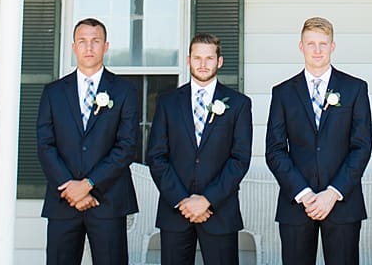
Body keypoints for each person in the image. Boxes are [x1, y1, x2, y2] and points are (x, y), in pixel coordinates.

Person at [265, 17, 372, 265]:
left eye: (323, 43)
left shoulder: (355, 88)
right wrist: (304, 194)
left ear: (332, 46)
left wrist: (332, 193)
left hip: (342, 202)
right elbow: (275, 150)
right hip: (296, 203)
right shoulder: (282, 92)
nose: (317, 50)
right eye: (310, 43)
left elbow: (362, 146)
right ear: (300, 46)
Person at [38, 18, 142, 265]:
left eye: (95, 41)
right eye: (82, 41)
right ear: (73, 46)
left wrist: (89, 184)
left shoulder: (125, 91)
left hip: (108, 199)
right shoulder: (53, 92)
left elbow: (126, 145)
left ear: (106, 46)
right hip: (63, 199)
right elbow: (45, 144)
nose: (89, 47)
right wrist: (69, 186)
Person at [146, 33, 253, 265]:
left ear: (219, 61)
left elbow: (239, 159)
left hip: (220, 211)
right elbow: (156, 156)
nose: (203, 64)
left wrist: (207, 200)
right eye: (197, 58)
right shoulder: (167, 102)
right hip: (175, 211)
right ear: (188, 60)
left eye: (209, 58)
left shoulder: (239, 104)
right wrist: (183, 200)